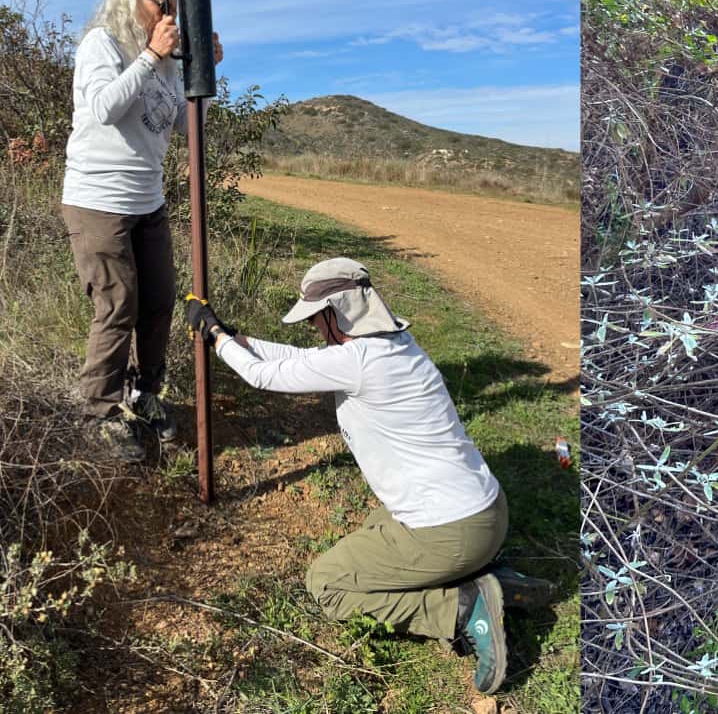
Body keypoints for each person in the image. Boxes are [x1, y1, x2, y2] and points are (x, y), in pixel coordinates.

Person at [185, 258, 531, 696]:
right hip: (487, 514)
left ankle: (462, 609)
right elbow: (301, 359)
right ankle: (489, 576)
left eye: (316, 317)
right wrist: (237, 338)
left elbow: (261, 375)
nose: (313, 327)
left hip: (452, 532)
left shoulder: (360, 362)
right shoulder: (394, 345)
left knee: (327, 583)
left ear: (337, 312)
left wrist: (214, 336)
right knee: (373, 530)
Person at [63, 0, 218, 454]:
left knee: (158, 300)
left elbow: (186, 127)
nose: (171, 18)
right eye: (164, 6)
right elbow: (104, 107)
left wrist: (203, 78)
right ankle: (99, 410)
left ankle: (144, 392)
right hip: (97, 200)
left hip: (146, 200)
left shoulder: (165, 66)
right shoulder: (102, 45)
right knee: (118, 304)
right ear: (135, 1)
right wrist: (152, 54)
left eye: (175, 11)